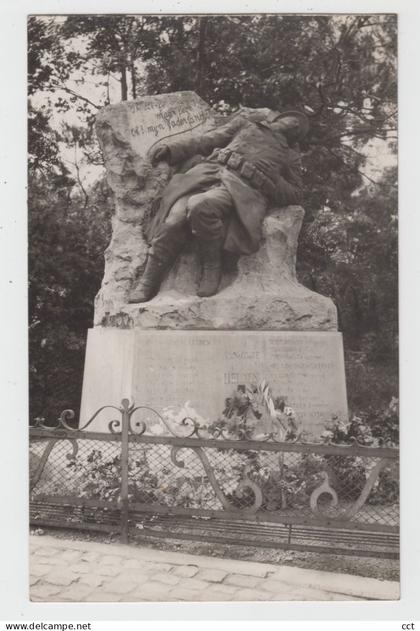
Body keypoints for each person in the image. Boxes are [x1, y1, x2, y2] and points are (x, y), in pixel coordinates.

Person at [128, 109, 309, 303]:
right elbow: (207, 140)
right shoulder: (247, 124)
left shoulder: (290, 156)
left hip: (239, 188)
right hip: (207, 174)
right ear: (278, 117)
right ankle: (147, 282)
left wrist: (273, 181)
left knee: (200, 205)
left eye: (299, 127)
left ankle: (212, 265)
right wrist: (173, 150)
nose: (296, 124)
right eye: (293, 118)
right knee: (173, 221)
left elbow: (296, 193)